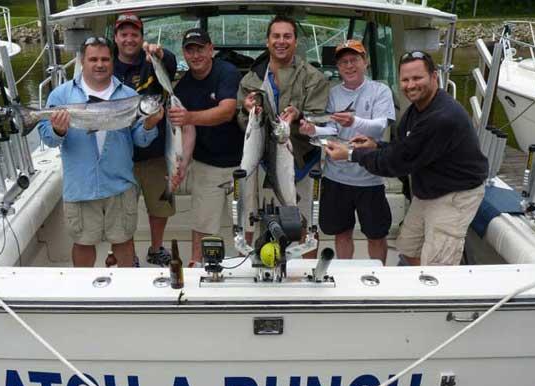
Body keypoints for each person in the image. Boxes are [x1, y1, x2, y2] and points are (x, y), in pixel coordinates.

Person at [324, 50, 487, 266]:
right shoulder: (416, 110)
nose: (410, 85)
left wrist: (351, 154)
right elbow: (404, 148)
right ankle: (415, 279)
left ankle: (431, 285)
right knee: (408, 248)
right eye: (405, 80)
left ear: (434, 76)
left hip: (455, 194)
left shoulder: (442, 117)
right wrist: (377, 145)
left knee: (438, 265)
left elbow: (395, 163)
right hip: (427, 191)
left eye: (417, 78)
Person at [38, 37, 163, 267]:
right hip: (81, 186)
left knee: (124, 241)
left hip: (119, 185)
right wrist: (58, 130)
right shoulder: (61, 95)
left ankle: (125, 286)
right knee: (83, 244)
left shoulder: (129, 95)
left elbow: (140, 141)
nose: (99, 64)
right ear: (82, 61)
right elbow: (48, 138)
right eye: (93, 59)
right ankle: (83, 288)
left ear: (112, 61)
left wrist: (149, 124)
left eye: (105, 59)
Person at [237, 15, 329, 257]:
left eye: (287, 36)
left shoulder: (313, 77)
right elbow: (242, 123)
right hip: (265, 163)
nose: (281, 41)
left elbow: (320, 120)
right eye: (276, 36)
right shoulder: (251, 79)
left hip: (304, 161)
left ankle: (306, 270)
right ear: (267, 41)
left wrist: (299, 115)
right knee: (265, 221)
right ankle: (266, 267)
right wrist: (247, 111)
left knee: (305, 224)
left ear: (295, 41)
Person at [299, 40, 395, 264]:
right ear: (338, 67)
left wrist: (354, 121)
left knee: (376, 234)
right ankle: (345, 272)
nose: (349, 66)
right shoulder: (333, 93)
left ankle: (378, 272)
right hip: (336, 177)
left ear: (365, 62)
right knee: (341, 232)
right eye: (343, 62)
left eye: (354, 60)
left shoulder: (381, 90)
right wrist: (313, 130)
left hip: (370, 177)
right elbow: (332, 129)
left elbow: (380, 126)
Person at [169, 28, 244, 266]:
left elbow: (227, 111)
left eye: (200, 49)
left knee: (246, 224)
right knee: (202, 224)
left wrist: (189, 116)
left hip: (243, 165)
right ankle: (196, 266)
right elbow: (188, 130)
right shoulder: (182, 88)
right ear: (183, 54)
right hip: (205, 164)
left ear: (211, 49)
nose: (196, 55)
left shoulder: (228, 72)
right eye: (190, 50)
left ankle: (247, 264)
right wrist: (182, 166)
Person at [112, 12, 178, 266]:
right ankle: (127, 255)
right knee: (122, 211)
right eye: (124, 34)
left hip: (155, 152)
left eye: (134, 34)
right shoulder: (107, 66)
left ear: (142, 38)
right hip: (120, 154)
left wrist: (161, 54)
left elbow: (170, 65)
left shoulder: (152, 61)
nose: (129, 39)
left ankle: (156, 248)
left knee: (159, 206)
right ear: (116, 38)